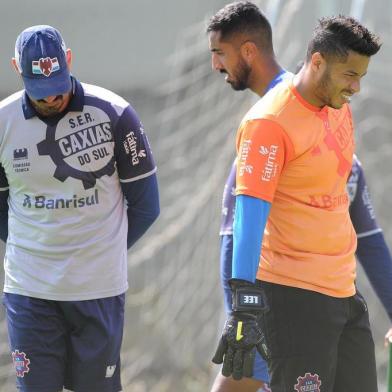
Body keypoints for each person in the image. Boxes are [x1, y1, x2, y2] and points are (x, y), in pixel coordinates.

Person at [210, 13, 382, 392]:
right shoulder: (269, 122)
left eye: (361, 77)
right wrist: (244, 304)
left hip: (344, 293)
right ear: (317, 61)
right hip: (293, 300)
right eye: (349, 75)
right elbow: (249, 215)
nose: (355, 87)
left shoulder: (338, 106)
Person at [0, 25, 160, 392]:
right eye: (41, 92)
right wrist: (36, 247)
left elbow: (147, 206)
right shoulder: (3, 123)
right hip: (30, 292)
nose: (53, 98)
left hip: (98, 289)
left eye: (58, 84)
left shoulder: (115, 113)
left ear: (68, 60)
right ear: (16, 69)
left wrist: (99, 250)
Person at [207, 2, 290, 391]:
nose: (215, 66)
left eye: (219, 54)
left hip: (261, 280)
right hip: (249, 282)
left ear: (248, 51)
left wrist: (247, 297)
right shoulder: (270, 107)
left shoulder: (284, 109)